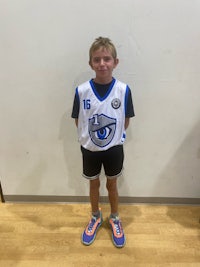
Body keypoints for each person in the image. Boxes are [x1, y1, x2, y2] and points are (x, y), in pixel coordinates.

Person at [71, 37, 135, 248]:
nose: (102, 64)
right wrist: (93, 138)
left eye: (107, 59)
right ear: (90, 63)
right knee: (93, 183)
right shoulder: (81, 91)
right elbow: (77, 120)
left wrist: (109, 139)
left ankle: (115, 218)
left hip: (113, 148)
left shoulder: (123, 90)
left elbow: (125, 121)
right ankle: (96, 216)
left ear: (115, 62)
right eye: (97, 59)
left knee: (112, 184)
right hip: (90, 149)